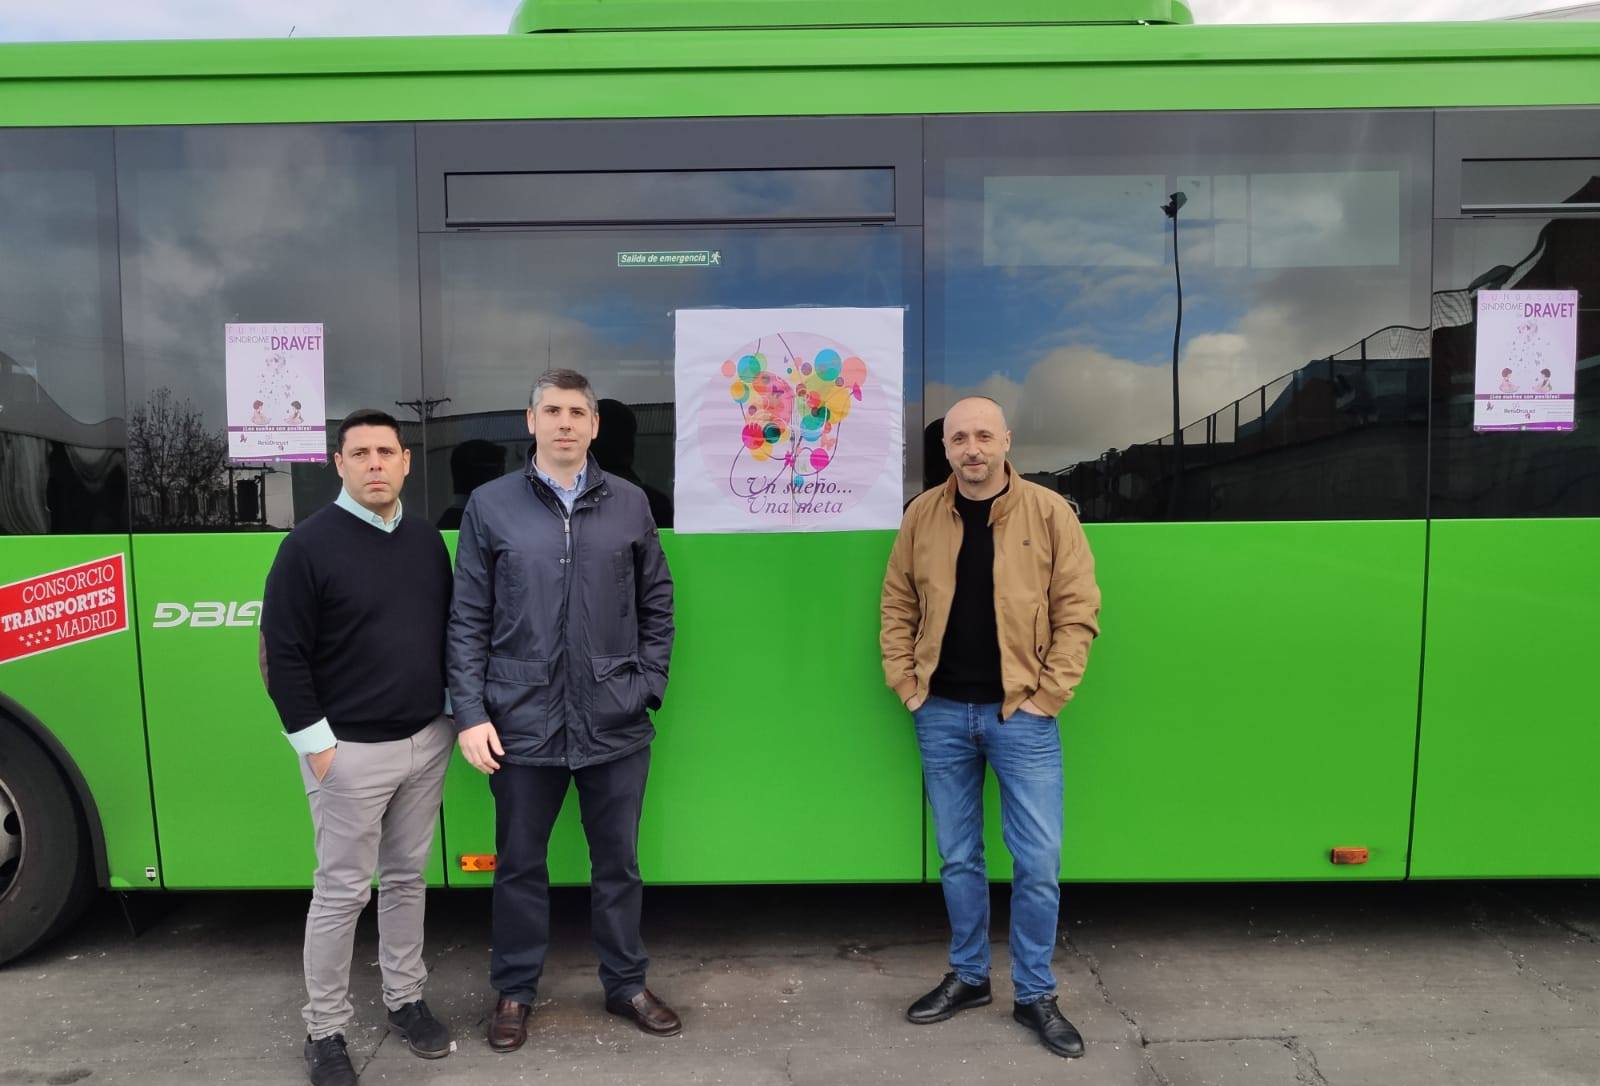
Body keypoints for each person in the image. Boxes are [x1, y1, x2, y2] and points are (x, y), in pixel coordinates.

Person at [447, 368, 678, 1052]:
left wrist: (646, 686)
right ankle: (514, 991)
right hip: (519, 722)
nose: (566, 422)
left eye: (578, 411)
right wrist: (470, 713)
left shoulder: (631, 504)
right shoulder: (490, 507)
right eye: (553, 410)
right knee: (520, 866)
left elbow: (658, 606)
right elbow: (467, 620)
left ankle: (626, 984)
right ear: (531, 421)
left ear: (595, 424)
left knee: (618, 865)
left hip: (615, 719)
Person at [879, 395, 1101, 1060]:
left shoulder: (1049, 512)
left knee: (1037, 863)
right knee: (958, 858)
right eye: (958, 439)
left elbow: (1078, 610)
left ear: (1006, 440)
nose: (971, 448)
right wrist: (908, 686)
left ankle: (1035, 993)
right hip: (940, 712)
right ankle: (970, 977)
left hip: (1021, 716)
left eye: (983, 435)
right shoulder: (923, 515)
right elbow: (896, 601)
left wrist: (1047, 697)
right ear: (945, 449)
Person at [261, 408, 455, 1086]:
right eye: (360, 452)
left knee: (406, 880)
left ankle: (405, 1000)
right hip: (349, 754)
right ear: (339, 465)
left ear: (405, 462)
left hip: (426, 742)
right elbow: (281, 657)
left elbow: (446, 636)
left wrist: (450, 721)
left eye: (386, 451)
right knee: (342, 893)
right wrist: (319, 750)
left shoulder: (428, 542)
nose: (375, 462)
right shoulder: (307, 547)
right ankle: (326, 1029)